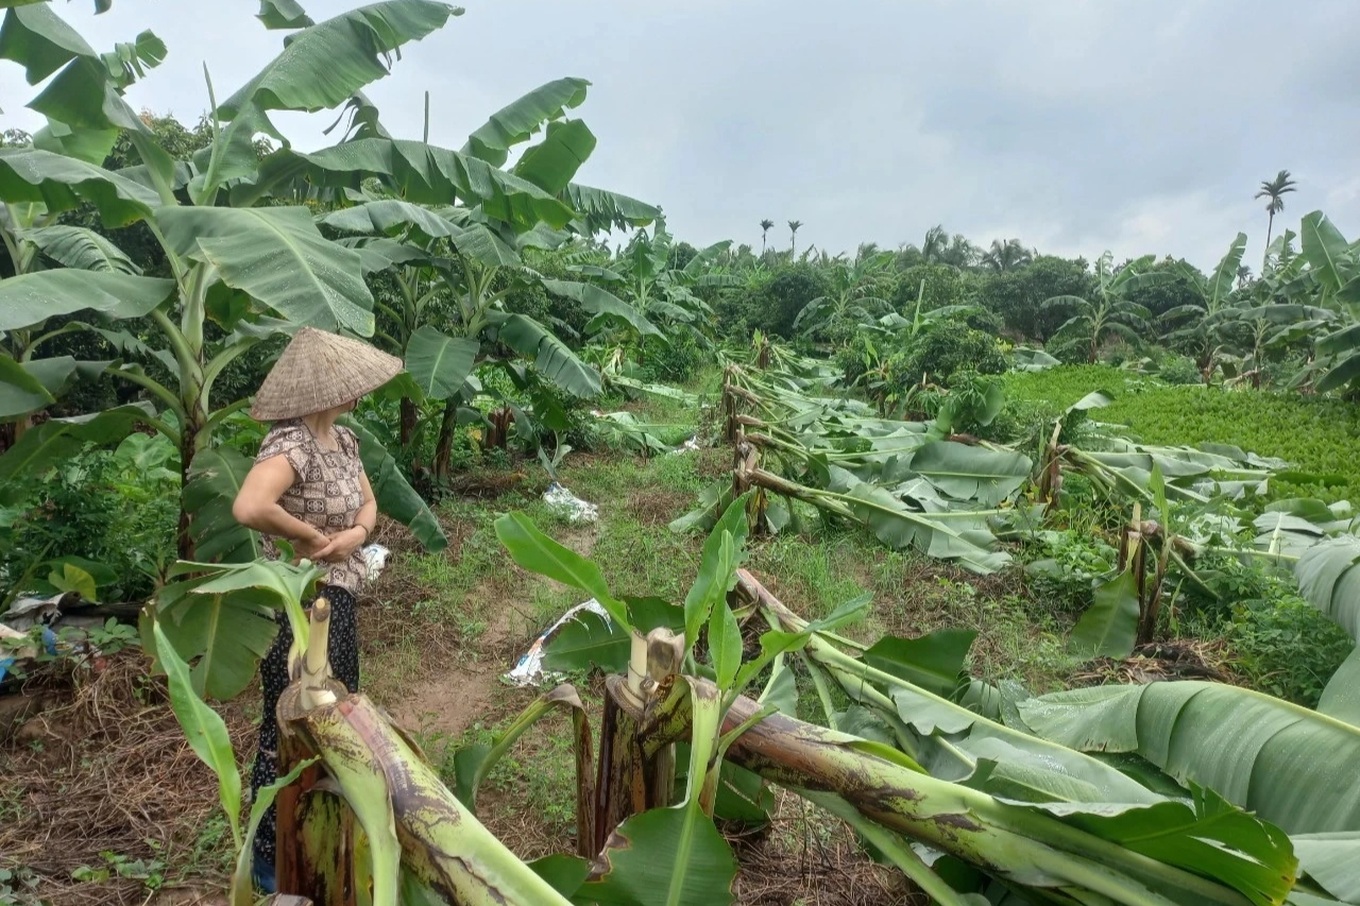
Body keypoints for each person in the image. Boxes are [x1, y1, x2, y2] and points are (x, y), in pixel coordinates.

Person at [230, 326, 402, 892]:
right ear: (328, 390)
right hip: (299, 605)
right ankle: (269, 863)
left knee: (335, 712)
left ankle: (322, 841)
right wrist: (309, 536)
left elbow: (370, 502)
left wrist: (354, 533)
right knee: (288, 723)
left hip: (340, 599)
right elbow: (251, 505)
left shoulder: (344, 441)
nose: (358, 390)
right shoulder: (291, 444)